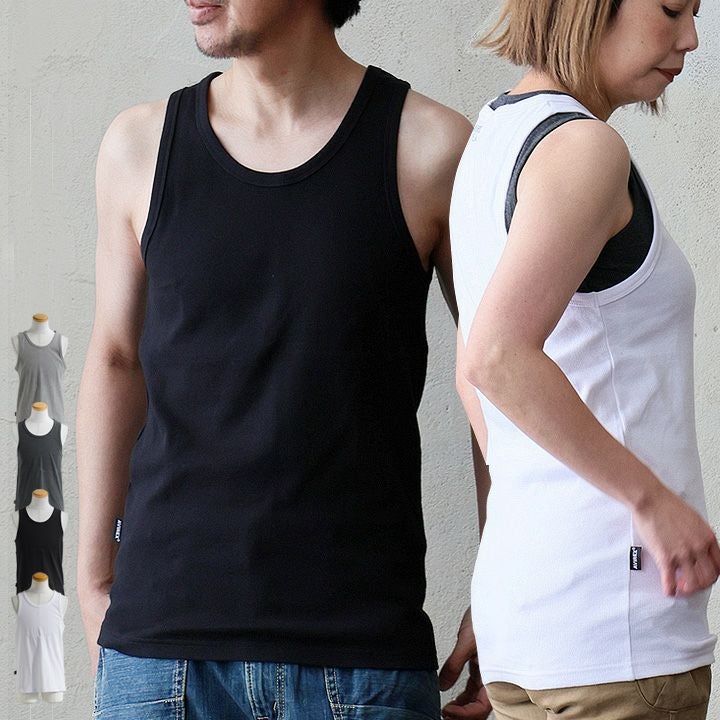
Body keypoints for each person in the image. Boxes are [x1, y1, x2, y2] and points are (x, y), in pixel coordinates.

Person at [76, 1, 492, 718]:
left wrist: (500, 587)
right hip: (162, 657)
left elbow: (499, 374)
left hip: (360, 662)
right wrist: (91, 579)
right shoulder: (138, 147)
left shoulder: (433, 149)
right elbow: (115, 359)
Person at [450, 1, 719, 718]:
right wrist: (651, 501)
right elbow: (496, 358)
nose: (691, 38)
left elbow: (472, 368)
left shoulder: (491, 138)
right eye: (671, 8)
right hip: (617, 633)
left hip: (527, 622)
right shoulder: (586, 150)